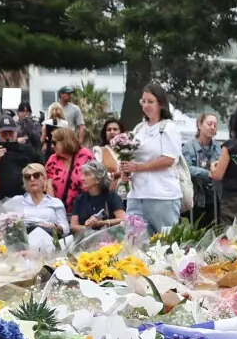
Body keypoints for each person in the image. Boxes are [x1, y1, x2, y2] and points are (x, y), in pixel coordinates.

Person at [121, 83, 183, 235]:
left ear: (160, 103)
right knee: (134, 242)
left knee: (167, 242)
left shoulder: (168, 127)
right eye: (143, 101)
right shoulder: (138, 129)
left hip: (162, 196)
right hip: (137, 194)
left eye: (150, 101)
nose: (146, 105)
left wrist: (138, 168)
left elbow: (168, 159)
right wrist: (126, 170)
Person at [0, 163, 70, 237]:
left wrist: (53, 227)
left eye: (36, 175)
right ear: (25, 181)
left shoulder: (55, 202)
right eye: (27, 177)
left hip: (50, 239)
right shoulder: (17, 201)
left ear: (44, 178)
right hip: (26, 241)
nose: (32, 179)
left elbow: (66, 229)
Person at [184, 112, 224, 223]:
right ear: (199, 125)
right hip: (197, 198)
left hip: (215, 198)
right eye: (209, 124)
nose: (212, 127)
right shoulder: (189, 146)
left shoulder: (219, 147)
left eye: (215, 125)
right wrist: (208, 173)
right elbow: (187, 168)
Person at [68, 161, 127, 233]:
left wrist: (101, 223)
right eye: (82, 175)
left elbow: (123, 219)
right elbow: (73, 227)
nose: (82, 178)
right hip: (87, 241)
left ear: (98, 179)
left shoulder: (111, 196)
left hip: (110, 241)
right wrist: (88, 227)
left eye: (87, 175)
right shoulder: (79, 199)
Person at [44, 127, 93, 207]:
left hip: (84, 208)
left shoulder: (85, 155)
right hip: (59, 210)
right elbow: (48, 185)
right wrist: (55, 207)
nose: (52, 146)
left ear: (64, 142)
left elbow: (94, 180)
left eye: (54, 142)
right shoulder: (53, 159)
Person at [0, 124, 35, 198]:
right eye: (4, 133)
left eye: (10, 133)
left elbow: (39, 166)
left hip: (23, 196)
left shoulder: (26, 149)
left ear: (15, 133)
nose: (8, 136)